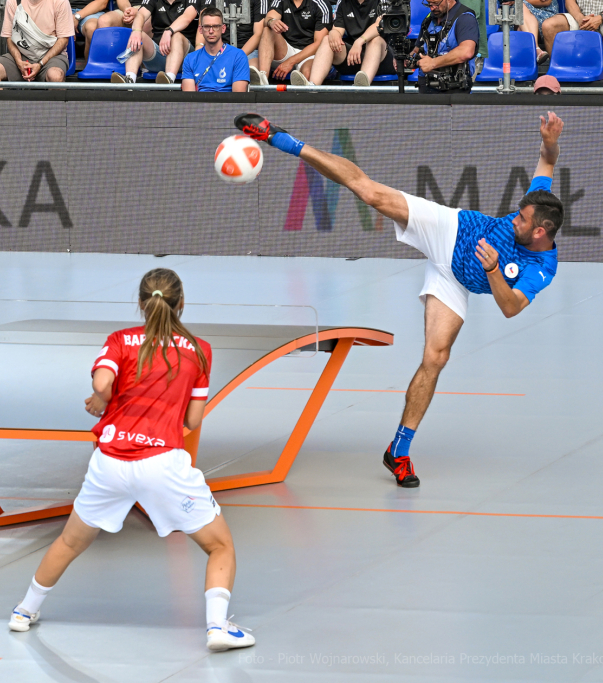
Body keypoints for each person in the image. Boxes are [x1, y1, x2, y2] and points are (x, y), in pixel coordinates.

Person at [235, 111, 564, 488]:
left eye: (521, 221)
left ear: (540, 232)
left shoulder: (542, 267)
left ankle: (399, 451)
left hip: (455, 281)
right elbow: (548, 161)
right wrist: (550, 139)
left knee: (435, 358)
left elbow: (510, 308)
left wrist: (492, 271)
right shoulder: (536, 207)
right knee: (370, 193)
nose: (513, 220)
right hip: (451, 229)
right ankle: (280, 138)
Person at [7, 268, 255, 653]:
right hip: (163, 463)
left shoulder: (120, 341)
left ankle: (24, 612)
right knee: (220, 546)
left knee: (70, 542)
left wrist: (102, 399)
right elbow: (192, 421)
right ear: (182, 303)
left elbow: (102, 383)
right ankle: (218, 627)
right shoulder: (200, 349)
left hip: (109, 462)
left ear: (140, 303)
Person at [297, 0, 393, 86]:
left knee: (375, 40)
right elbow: (338, 28)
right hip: (354, 56)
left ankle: (362, 86)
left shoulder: (383, 1)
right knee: (327, 40)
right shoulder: (342, 2)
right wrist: (334, 33)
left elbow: (380, 25)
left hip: (381, 58)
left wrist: (359, 41)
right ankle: (313, 85)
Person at [110, 0, 200, 84]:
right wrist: (136, 31)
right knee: (138, 35)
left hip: (184, 58)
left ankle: (169, 79)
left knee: (176, 36)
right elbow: (140, 14)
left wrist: (169, 31)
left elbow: (187, 17)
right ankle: (129, 79)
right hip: (159, 54)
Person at [0, 0, 73, 84]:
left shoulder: (60, 2)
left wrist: (40, 64)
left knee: (55, 76)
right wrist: (19, 62)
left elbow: (63, 39)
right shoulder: (13, 1)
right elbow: (9, 38)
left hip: (51, 57)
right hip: (22, 55)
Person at [249, 0, 329, 86]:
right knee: (268, 28)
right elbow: (268, 19)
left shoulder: (320, 4)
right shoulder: (280, 1)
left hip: (308, 54)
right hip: (285, 49)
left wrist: (291, 61)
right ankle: (263, 77)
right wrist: (272, 21)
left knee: (308, 74)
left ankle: (302, 96)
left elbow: (319, 43)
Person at [541, 0, 603, 76]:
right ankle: (559, 71)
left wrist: (600, 18)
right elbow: (569, 2)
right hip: (581, 16)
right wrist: (580, 18)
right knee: (548, 26)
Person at [412, 0, 479, 94]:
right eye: (429, 4)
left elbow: (466, 52)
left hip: (454, 89)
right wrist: (407, 59)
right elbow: (417, 49)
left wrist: (433, 63)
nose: (432, 8)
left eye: (436, 4)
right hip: (426, 86)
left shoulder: (465, 18)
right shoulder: (429, 19)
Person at [181, 7, 250, 91]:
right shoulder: (190, 59)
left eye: (216, 26)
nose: (211, 31)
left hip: (227, 103)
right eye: (206, 26)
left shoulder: (238, 56)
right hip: (200, 103)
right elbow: (189, 99)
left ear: (223, 28)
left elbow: (238, 99)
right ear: (200, 29)